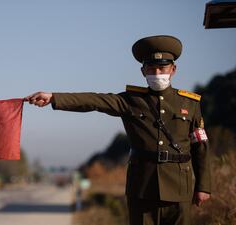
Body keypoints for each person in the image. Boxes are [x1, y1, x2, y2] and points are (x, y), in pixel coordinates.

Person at [25, 35, 211, 225]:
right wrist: (54, 97)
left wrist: (203, 186)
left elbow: (201, 147)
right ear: (143, 71)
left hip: (179, 187)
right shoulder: (131, 101)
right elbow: (93, 101)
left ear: (173, 70)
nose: (157, 73)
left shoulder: (190, 104)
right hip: (142, 189)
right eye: (151, 68)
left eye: (162, 68)